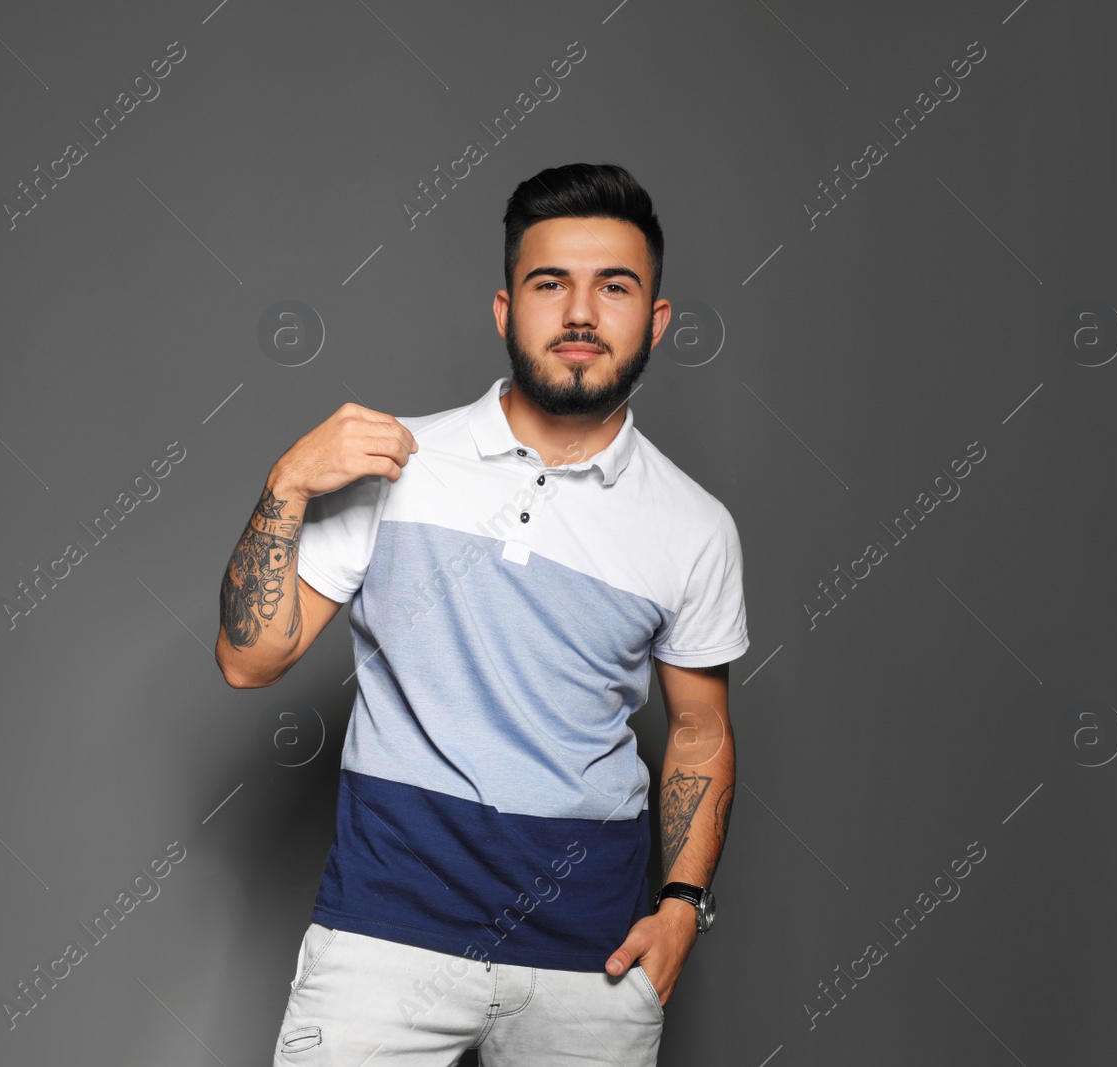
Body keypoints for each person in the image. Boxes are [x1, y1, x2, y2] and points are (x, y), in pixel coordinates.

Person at [216, 162, 748, 1066]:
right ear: (506, 311)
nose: (580, 313)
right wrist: (288, 483)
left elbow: (699, 728)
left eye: (613, 287)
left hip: (594, 965)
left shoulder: (695, 527)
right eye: (552, 284)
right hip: (381, 940)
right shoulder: (396, 465)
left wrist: (682, 908)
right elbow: (248, 660)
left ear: (654, 320)